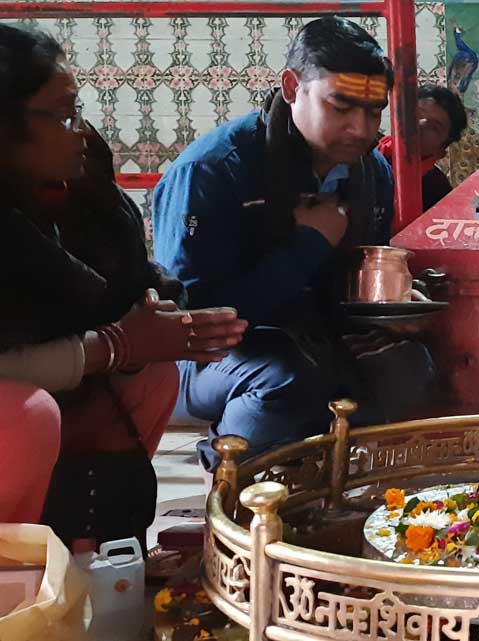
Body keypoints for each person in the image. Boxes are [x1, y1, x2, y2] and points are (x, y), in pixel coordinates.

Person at [152, 17, 435, 470]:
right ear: (291, 87)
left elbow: (349, 287)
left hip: (314, 336)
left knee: (406, 364)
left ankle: (345, 487)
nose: (361, 130)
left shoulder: (371, 173)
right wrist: (307, 245)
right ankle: (233, 476)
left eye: (373, 111)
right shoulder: (213, 170)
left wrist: (393, 304)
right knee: (286, 374)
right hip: (200, 359)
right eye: (341, 107)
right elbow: (194, 315)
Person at [0, 25, 246, 540]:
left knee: (149, 376)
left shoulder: (67, 188)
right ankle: (15, 582)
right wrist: (118, 343)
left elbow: (116, 286)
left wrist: (161, 322)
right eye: (64, 114)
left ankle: (87, 547)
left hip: (63, 380)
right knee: (23, 419)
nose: (80, 131)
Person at [378, 83, 468, 228]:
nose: (420, 125)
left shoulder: (438, 191)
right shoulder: (365, 155)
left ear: (440, 152)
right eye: (416, 115)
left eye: (435, 127)